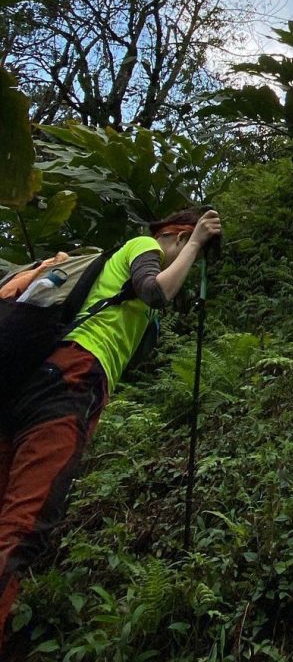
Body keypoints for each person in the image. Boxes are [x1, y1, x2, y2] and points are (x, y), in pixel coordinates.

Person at [0, 208, 222, 649]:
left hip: (30, 381)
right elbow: (156, 291)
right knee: (24, 525)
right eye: (185, 247)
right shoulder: (143, 247)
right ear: (172, 236)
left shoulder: (118, 287)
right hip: (69, 382)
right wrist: (196, 242)